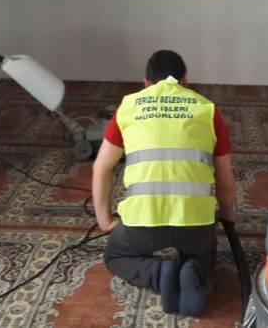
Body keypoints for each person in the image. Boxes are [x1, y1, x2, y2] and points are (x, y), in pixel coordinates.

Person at [92, 50, 237, 317]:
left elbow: (101, 167)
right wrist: (227, 214)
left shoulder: (128, 106)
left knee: (116, 257)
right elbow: (225, 178)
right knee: (205, 254)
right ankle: (193, 269)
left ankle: (159, 273)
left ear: (146, 82)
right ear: (185, 80)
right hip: (195, 221)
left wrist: (104, 221)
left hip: (143, 221)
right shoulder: (207, 109)